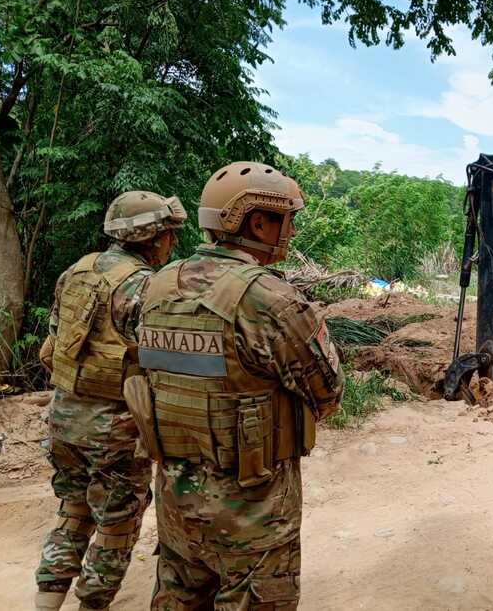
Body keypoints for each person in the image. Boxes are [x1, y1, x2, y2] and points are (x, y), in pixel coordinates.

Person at [132, 162, 345, 609]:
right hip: (254, 518)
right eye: (286, 220)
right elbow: (328, 393)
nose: (289, 231)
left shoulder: (154, 287)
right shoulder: (272, 301)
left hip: (178, 507)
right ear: (258, 221)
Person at [35, 191, 187, 611]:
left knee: (73, 511)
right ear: (153, 237)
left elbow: (55, 341)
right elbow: (162, 359)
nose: (171, 242)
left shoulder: (76, 271)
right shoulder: (143, 285)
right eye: (168, 234)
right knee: (117, 524)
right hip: (115, 428)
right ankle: (93, 603)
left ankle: (46, 600)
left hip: (65, 417)